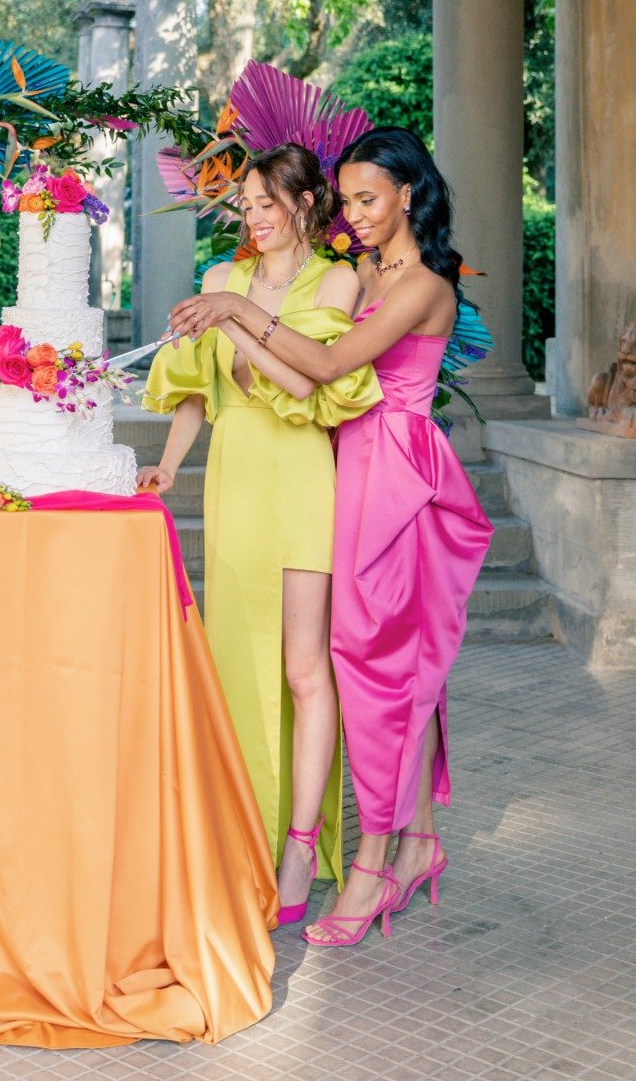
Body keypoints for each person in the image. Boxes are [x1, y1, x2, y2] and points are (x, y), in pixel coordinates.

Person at [169, 127, 494, 948]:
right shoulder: (366, 271)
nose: (353, 215)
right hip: (348, 460)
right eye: (346, 199)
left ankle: (375, 863)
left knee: (377, 663)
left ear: (409, 194)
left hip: (397, 471)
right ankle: (415, 839)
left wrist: (240, 309)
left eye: (368, 198)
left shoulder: (418, 282)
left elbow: (330, 363)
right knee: (383, 658)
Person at [139, 144, 381, 925]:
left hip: (304, 478)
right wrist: (168, 467)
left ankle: (302, 842)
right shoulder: (220, 281)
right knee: (237, 660)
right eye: (244, 205)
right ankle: (236, 828)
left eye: (265, 205)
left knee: (305, 668)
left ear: (307, 204)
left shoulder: (337, 280)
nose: (251, 218)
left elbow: (302, 379)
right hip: (234, 477)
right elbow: (195, 392)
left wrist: (237, 317)